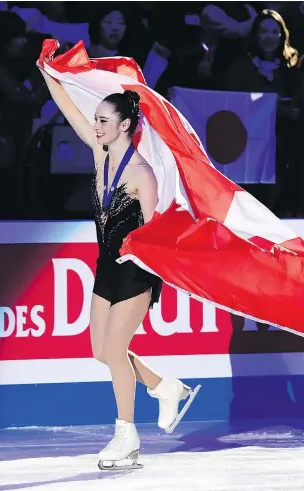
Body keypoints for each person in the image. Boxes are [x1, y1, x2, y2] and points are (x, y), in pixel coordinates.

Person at [38, 70, 201, 471]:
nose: (94, 126)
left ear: (125, 125)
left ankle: (126, 436)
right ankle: (164, 386)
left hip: (136, 272)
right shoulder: (101, 156)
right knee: (100, 351)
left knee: (113, 351)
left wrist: (144, 257)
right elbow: (70, 111)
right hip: (105, 269)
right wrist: (49, 74)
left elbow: (156, 235)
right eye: (96, 120)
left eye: (103, 121)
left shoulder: (142, 174)